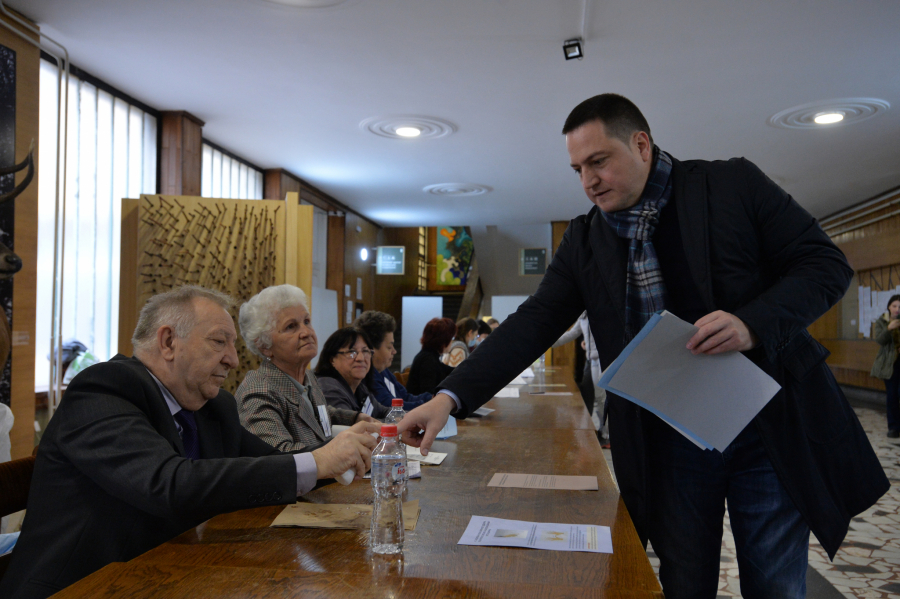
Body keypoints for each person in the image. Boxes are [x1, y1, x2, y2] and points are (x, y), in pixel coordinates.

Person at [398, 94, 888, 598]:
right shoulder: (586, 239)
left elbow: (825, 265)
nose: (588, 180)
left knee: (774, 583)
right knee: (682, 581)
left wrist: (752, 323)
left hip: (766, 429)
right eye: (577, 169)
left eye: (599, 161)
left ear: (641, 144)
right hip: (669, 440)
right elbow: (535, 321)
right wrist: (448, 397)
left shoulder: (731, 185)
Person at [0, 286, 376, 599]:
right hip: (81, 586)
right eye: (219, 342)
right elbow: (168, 483)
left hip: (167, 577)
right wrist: (319, 460)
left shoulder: (213, 407)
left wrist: (345, 454)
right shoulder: (102, 390)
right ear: (167, 341)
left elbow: (277, 466)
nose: (232, 358)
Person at [235, 285, 376, 452]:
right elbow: (277, 457)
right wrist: (342, 446)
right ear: (264, 345)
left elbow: (314, 415)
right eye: (291, 326)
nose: (306, 332)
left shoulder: (307, 377)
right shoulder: (258, 392)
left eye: (307, 321)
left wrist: (356, 418)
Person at [354, 310, 433, 410]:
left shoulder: (383, 371)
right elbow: (393, 407)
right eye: (389, 347)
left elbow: (406, 397)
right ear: (371, 348)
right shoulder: (367, 377)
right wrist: (433, 404)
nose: (394, 351)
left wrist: (432, 398)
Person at [553, 311, 608, 445]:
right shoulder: (583, 317)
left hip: (600, 360)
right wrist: (549, 343)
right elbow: (571, 334)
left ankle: (606, 434)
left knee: (601, 397)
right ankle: (586, 429)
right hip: (589, 360)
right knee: (586, 395)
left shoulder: (601, 315)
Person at [315, 327, 391, 419]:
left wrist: (406, 418)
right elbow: (351, 427)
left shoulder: (360, 389)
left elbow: (384, 412)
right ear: (332, 360)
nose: (361, 358)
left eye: (365, 351)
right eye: (352, 352)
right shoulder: (328, 387)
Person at [871, 294, 900, 437]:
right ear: (889, 306)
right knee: (892, 395)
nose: (897, 309)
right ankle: (894, 427)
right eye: (894, 306)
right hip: (890, 364)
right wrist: (889, 328)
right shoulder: (882, 321)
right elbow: (880, 340)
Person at [406, 317, 455, 395]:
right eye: (451, 338)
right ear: (443, 340)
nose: (452, 341)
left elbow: (445, 369)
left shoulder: (428, 356)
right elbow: (428, 394)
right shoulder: (428, 360)